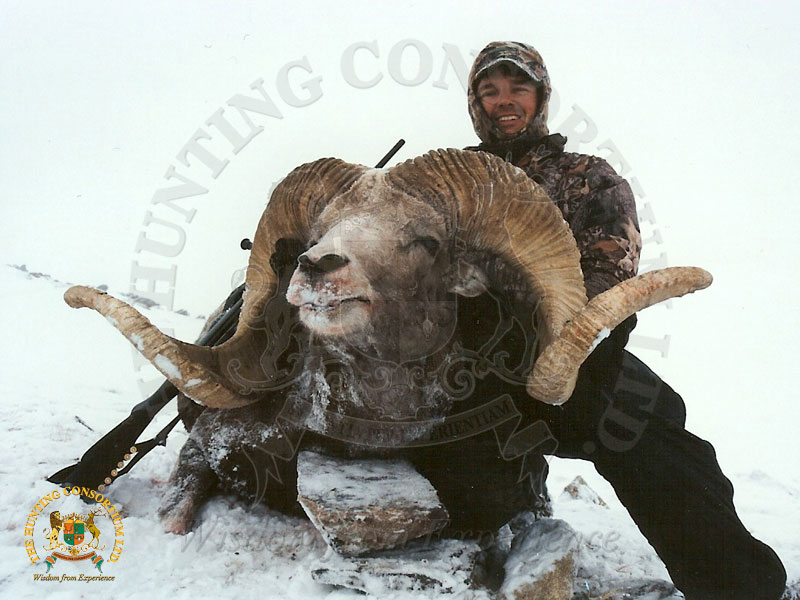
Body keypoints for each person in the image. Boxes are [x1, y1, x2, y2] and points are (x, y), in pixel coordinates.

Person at [463, 41, 787, 600]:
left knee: (655, 430)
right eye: (489, 91)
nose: (504, 101)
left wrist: (564, 353)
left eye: (518, 87)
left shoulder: (585, 176)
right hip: (465, 364)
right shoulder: (454, 179)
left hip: (568, 357)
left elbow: (607, 274)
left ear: (541, 97)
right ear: (475, 105)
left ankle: (745, 588)